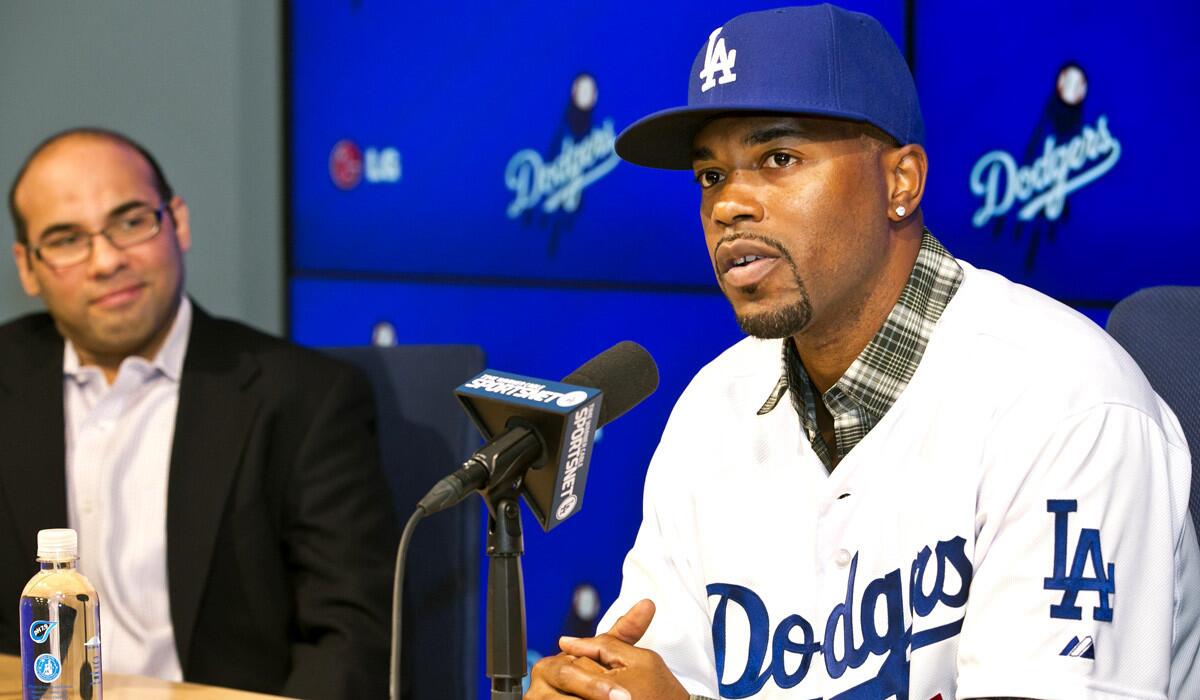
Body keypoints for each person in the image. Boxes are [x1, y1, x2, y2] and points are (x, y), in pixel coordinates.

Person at [527, 5, 1200, 700]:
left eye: (778, 159)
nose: (729, 205)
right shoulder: (711, 410)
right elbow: (663, 675)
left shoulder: (1066, 402)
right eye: (711, 176)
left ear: (901, 183)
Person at [0, 127, 397, 699]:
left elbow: (353, 642)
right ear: (28, 267)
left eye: (131, 221)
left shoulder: (308, 398)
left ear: (178, 222)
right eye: (66, 239)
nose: (106, 259)